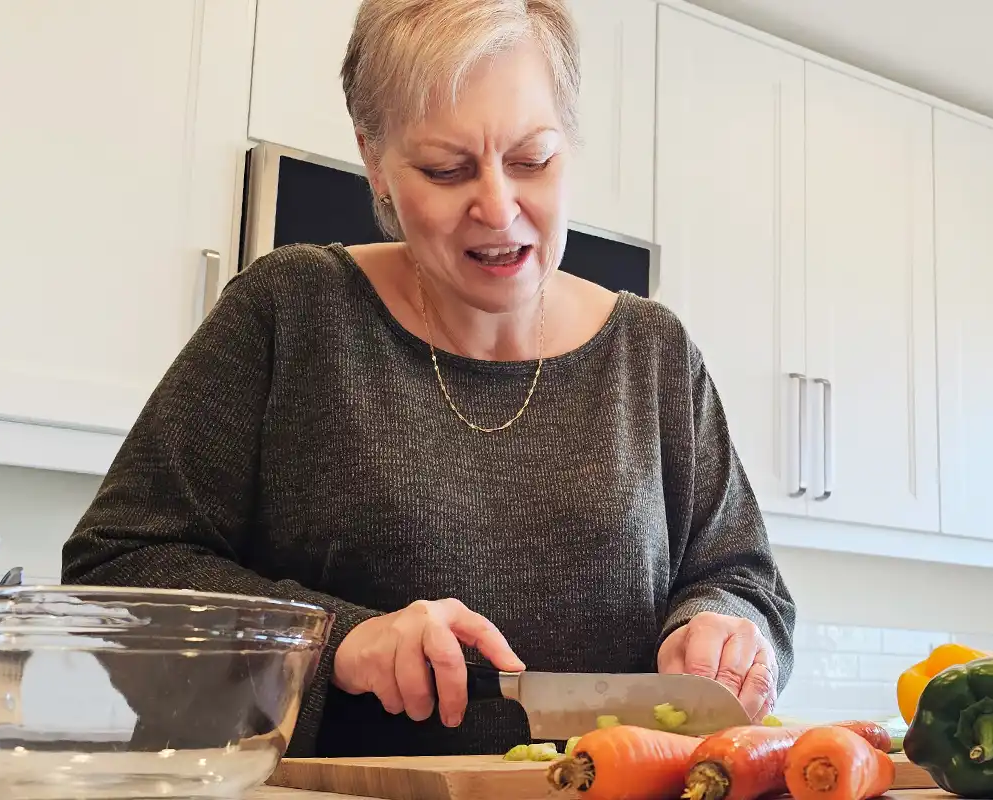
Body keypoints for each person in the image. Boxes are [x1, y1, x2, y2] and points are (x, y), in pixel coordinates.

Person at [61, 0, 797, 758]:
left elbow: (745, 581)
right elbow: (117, 569)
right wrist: (339, 644)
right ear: (374, 160)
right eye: (446, 169)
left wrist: (720, 632)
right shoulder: (290, 313)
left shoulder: (653, 354)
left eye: (531, 159)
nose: (498, 206)